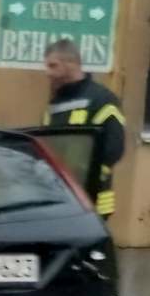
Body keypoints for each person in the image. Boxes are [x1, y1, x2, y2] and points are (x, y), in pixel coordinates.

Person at [41, 38, 126, 218]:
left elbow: (114, 149)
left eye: (53, 66)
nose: (47, 73)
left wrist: (86, 178)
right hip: (61, 198)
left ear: (71, 63)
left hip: (94, 201)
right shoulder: (55, 103)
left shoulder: (102, 100)